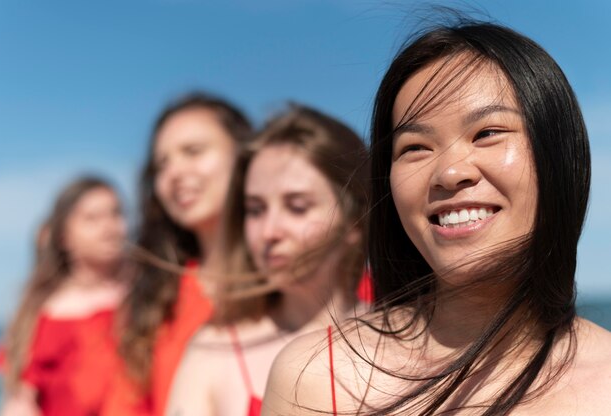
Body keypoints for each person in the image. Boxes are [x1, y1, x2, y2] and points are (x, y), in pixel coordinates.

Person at [263, 20, 611, 415]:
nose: (449, 172)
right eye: (415, 147)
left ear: (560, 157)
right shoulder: (315, 377)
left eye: (487, 133)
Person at [166, 104, 370, 416]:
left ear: (355, 219)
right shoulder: (214, 349)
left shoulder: (413, 338)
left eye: (297, 206)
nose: (270, 232)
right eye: (256, 210)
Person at [102, 92, 253, 416]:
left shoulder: (322, 281)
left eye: (193, 151)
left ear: (245, 155)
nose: (174, 173)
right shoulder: (154, 303)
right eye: (162, 164)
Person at [0, 176, 128, 416]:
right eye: (92, 218)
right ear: (63, 237)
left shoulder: (147, 296)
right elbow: (20, 402)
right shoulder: (42, 313)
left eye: (116, 214)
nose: (109, 227)